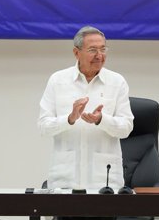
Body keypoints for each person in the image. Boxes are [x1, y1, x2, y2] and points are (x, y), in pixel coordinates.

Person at [38, 25, 134, 190]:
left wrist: (101, 120)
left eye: (103, 49)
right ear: (76, 53)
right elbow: (43, 127)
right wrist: (69, 119)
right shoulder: (58, 80)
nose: (99, 55)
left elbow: (126, 128)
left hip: (105, 181)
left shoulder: (117, 82)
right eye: (92, 50)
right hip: (65, 180)